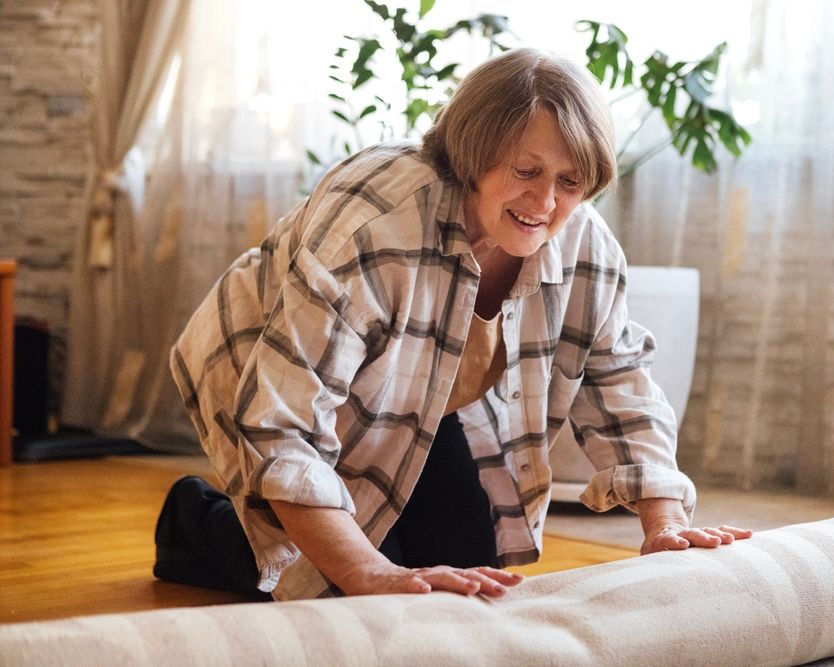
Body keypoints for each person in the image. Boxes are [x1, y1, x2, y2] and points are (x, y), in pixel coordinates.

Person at [156, 47, 751, 602]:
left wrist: (665, 523)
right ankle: (195, 518)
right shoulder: (375, 223)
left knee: (465, 572)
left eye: (570, 182)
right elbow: (285, 423)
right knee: (342, 586)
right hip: (267, 364)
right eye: (526, 170)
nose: (546, 202)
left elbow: (618, 378)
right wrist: (367, 571)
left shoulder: (583, 243)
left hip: (420, 394)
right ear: (474, 150)